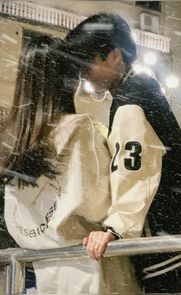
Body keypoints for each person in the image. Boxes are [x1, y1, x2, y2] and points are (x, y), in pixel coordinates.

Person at [64, 12, 181, 293]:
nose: (83, 72)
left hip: (171, 243)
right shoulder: (138, 89)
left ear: (114, 56)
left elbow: (134, 170)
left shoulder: (131, 100)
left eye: (87, 62)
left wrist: (114, 229)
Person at [0, 35, 163, 293]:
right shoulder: (78, 129)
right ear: (66, 79)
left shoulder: (13, 140)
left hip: (46, 269)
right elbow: (99, 201)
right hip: (93, 264)